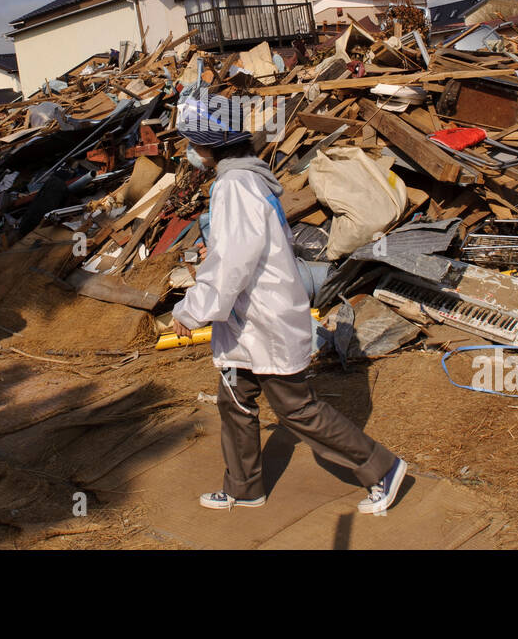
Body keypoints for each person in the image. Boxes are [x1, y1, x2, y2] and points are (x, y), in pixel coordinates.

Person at [171, 92, 407, 514]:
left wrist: (190, 309)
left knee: (296, 408)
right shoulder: (250, 178)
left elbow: (231, 266)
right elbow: (239, 250)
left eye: (193, 143)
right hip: (255, 318)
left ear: (209, 144)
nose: (192, 152)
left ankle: (381, 467)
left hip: (263, 320)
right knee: (235, 397)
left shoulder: (233, 185)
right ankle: (244, 488)